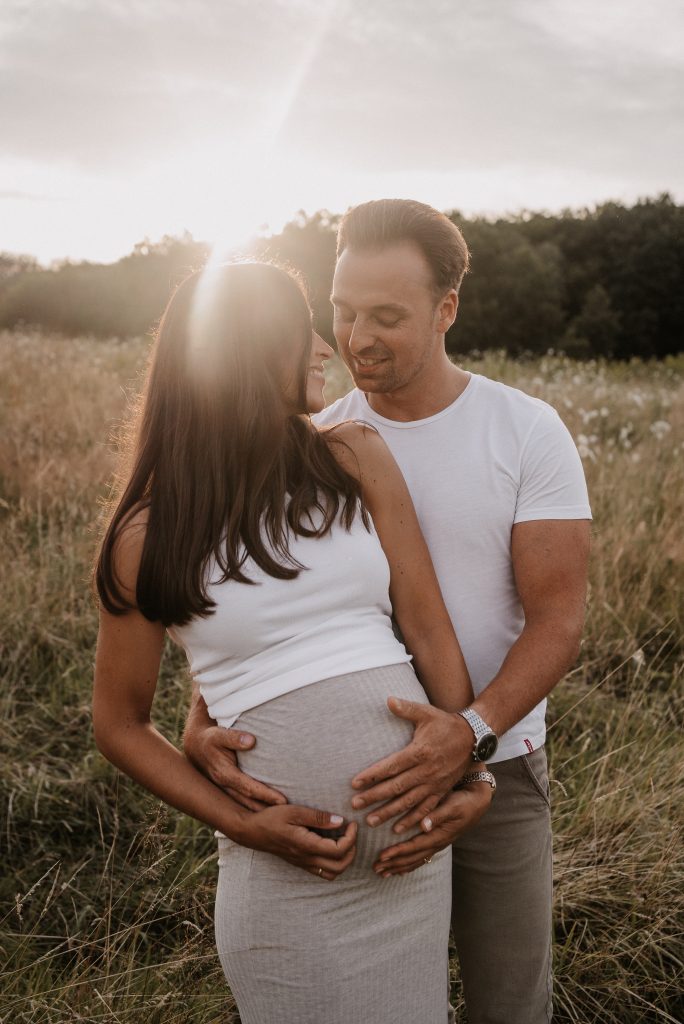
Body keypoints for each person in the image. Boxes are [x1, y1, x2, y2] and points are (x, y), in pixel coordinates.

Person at [183, 200, 592, 1024]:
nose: (356, 335)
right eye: (342, 310)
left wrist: (470, 734)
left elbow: (558, 618)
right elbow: (257, 600)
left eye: (387, 316)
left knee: (510, 1005)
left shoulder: (523, 432)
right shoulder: (313, 438)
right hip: (356, 802)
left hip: (497, 770)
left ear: (447, 310)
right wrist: (201, 716)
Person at [92, 259, 493, 1024]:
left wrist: (471, 769)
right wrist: (241, 823)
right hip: (286, 885)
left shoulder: (353, 457)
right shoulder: (147, 535)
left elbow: (427, 626)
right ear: (240, 354)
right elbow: (118, 722)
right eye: (299, 329)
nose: (324, 348)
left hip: (409, 868)